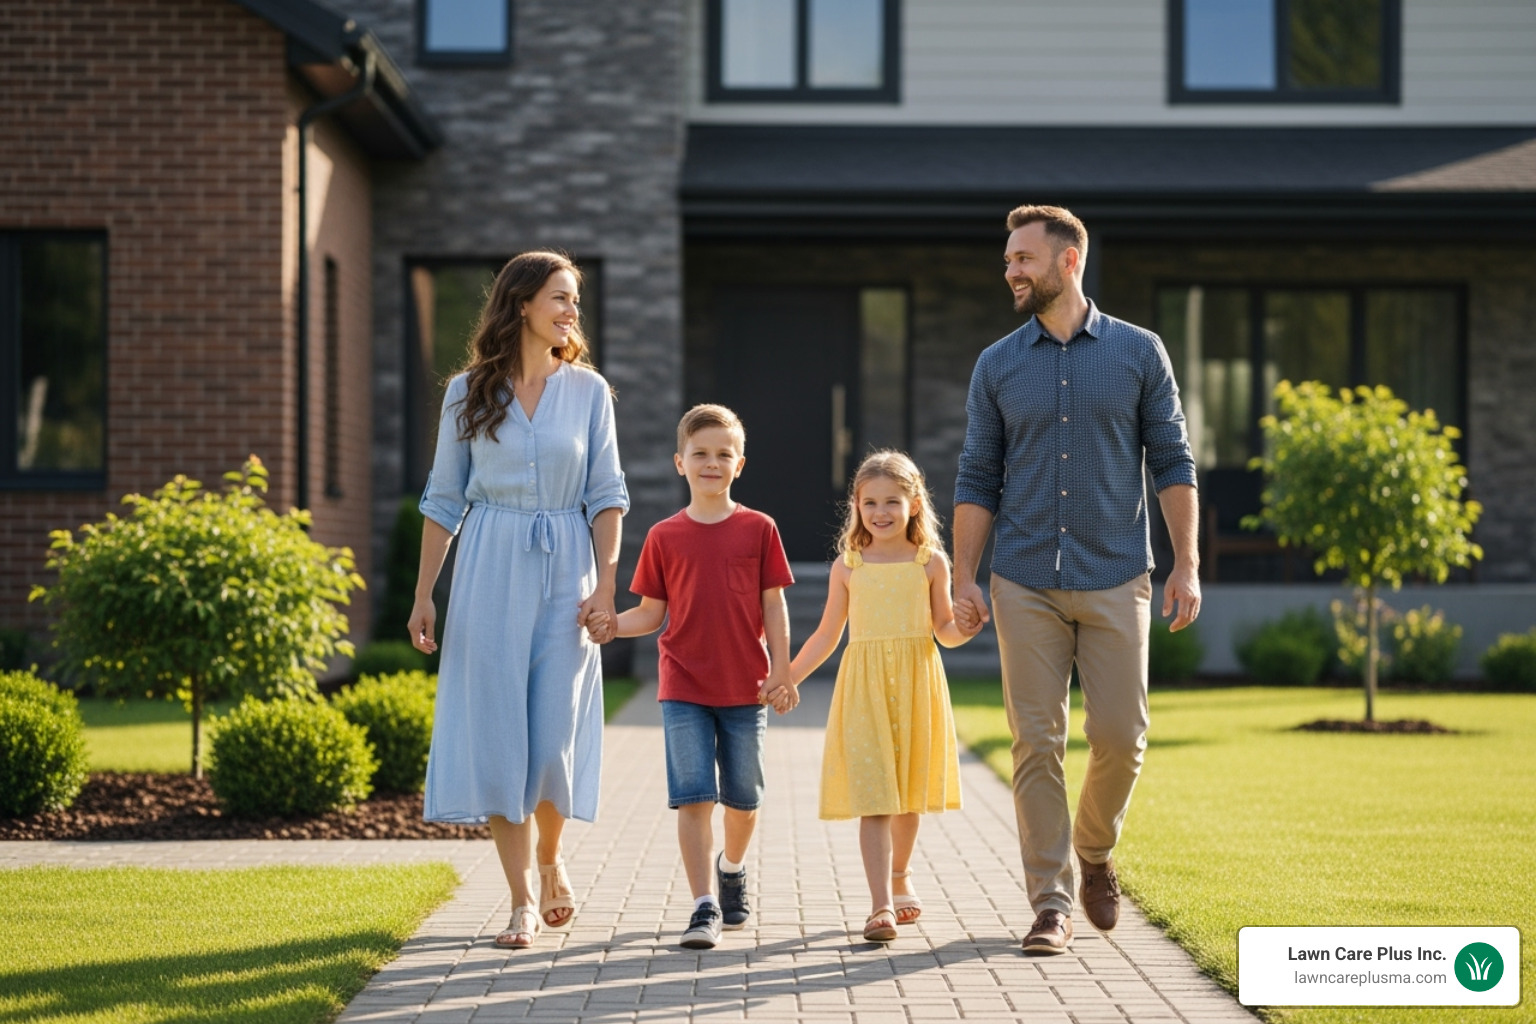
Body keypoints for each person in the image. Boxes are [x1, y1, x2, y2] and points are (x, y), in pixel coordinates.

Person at [952, 204, 1200, 955]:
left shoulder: (1138, 352)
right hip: (1021, 576)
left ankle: (1094, 850)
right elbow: (976, 473)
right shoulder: (997, 364)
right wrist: (965, 576)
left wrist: (1185, 561)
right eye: (1007, 260)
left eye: (1023, 258)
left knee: (1122, 738)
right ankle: (1050, 903)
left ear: (1069, 261)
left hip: (1116, 571)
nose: (1011, 271)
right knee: (1035, 742)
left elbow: (1173, 459)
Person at [408, 251, 628, 950]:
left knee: (553, 732)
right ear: (523, 304)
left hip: (568, 569)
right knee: (503, 732)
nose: (572, 312)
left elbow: (606, 494)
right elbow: (444, 499)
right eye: (561, 298)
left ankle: (553, 853)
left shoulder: (590, 393)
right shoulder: (466, 392)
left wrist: (607, 583)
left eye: (576, 301)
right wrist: (423, 597)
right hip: (489, 569)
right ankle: (520, 902)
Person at [597, 404, 794, 950]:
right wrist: (612, 625)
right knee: (693, 797)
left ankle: (731, 866)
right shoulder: (664, 536)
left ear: (740, 464)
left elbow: (773, 606)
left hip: (745, 687)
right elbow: (650, 613)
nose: (712, 463)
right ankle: (703, 905)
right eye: (700, 453)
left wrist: (781, 667)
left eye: (723, 454)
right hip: (681, 685)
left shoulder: (759, 529)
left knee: (745, 800)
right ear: (679, 463)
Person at [789, 450, 980, 943]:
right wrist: (788, 676)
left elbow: (943, 630)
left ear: (915, 504)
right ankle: (880, 906)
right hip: (865, 689)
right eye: (870, 502)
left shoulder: (930, 562)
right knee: (875, 796)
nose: (881, 512)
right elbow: (827, 635)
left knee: (908, 796)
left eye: (892, 501)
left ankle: (900, 875)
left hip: (917, 684)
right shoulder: (849, 565)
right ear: (856, 505)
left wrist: (965, 629)